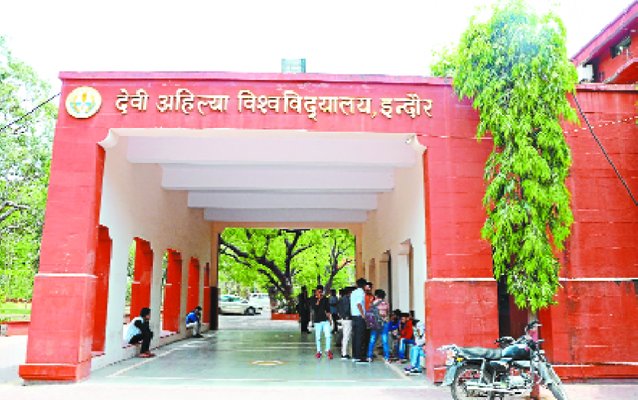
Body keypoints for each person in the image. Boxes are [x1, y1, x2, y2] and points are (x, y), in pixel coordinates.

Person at [366, 289, 390, 363]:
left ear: (376, 295)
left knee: (372, 340)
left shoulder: (373, 303)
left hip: (375, 324)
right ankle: (387, 357)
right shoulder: (386, 303)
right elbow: (387, 313)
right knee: (385, 340)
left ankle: (369, 356)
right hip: (384, 322)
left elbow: (370, 313)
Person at [311, 285, 333, 359]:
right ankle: (318, 351)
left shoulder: (325, 299)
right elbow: (315, 308)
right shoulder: (313, 299)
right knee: (318, 337)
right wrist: (318, 299)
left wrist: (330, 319)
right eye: (319, 291)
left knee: (328, 335)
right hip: (317, 321)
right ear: (316, 291)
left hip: (325, 320)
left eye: (321, 291)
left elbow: (328, 310)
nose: (320, 293)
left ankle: (328, 350)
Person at [349, 278, 367, 362]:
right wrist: (363, 315)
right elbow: (359, 304)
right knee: (360, 336)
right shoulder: (361, 293)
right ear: (364, 285)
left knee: (355, 336)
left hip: (354, 316)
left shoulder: (353, 292)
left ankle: (355, 355)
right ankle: (359, 356)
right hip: (359, 316)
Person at [337, 287, 353, 359]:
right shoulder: (347, 299)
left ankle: (344, 352)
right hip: (347, 319)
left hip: (343, 319)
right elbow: (347, 309)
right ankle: (344, 353)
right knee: (346, 336)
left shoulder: (341, 299)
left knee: (345, 335)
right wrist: (347, 316)